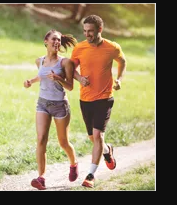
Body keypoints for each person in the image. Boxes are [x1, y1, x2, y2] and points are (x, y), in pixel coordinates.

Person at [70, 15, 127, 188]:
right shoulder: (79, 48)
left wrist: (119, 80)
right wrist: (79, 78)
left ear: (99, 30)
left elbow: (122, 61)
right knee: (93, 138)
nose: (87, 34)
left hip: (104, 97)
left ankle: (90, 175)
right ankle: (107, 151)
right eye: (85, 31)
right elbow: (71, 69)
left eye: (91, 31)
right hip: (85, 98)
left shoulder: (112, 47)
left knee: (97, 136)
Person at [24, 29, 79, 190]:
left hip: (60, 106)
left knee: (63, 142)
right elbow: (42, 76)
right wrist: (30, 81)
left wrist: (59, 78)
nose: (57, 42)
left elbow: (70, 87)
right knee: (41, 139)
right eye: (54, 39)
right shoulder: (39, 61)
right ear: (45, 41)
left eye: (59, 40)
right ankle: (41, 178)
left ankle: (74, 163)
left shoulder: (65, 63)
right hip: (42, 103)